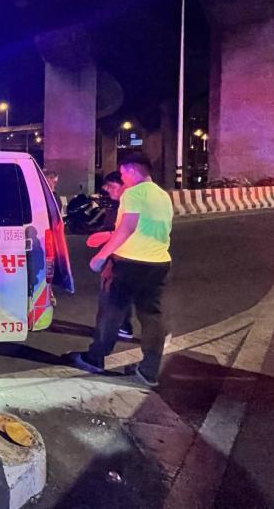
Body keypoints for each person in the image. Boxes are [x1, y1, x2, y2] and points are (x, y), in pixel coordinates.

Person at [70, 153, 173, 387]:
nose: (123, 178)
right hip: (159, 263)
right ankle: (149, 371)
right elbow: (148, 228)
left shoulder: (133, 194)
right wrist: (108, 234)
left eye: (124, 173)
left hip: (129, 263)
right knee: (151, 316)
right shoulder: (162, 195)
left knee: (111, 311)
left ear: (132, 170)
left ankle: (95, 358)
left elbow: (128, 227)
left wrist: (101, 256)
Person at [87, 171, 134, 339]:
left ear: (125, 187)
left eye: (112, 186)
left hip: (122, 258)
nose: (108, 190)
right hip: (116, 257)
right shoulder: (115, 205)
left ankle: (111, 333)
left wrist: (107, 238)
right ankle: (121, 327)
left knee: (114, 295)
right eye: (107, 186)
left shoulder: (130, 207)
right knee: (118, 294)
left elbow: (128, 231)